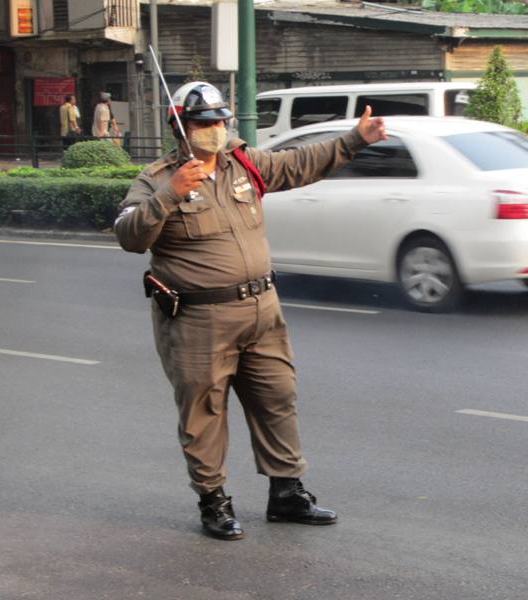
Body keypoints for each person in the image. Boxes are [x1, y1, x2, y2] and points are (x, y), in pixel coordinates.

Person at [114, 81, 387, 541]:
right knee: (204, 412)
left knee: (277, 399)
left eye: (221, 121)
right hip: (200, 319)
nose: (215, 129)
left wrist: (355, 139)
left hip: (262, 309)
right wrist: (170, 194)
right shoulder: (157, 178)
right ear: (180, 125)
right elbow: (129, 236)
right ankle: (214, 502)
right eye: (204, 122)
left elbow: (298, 165)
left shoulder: (243, 163)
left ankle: (286, 493)